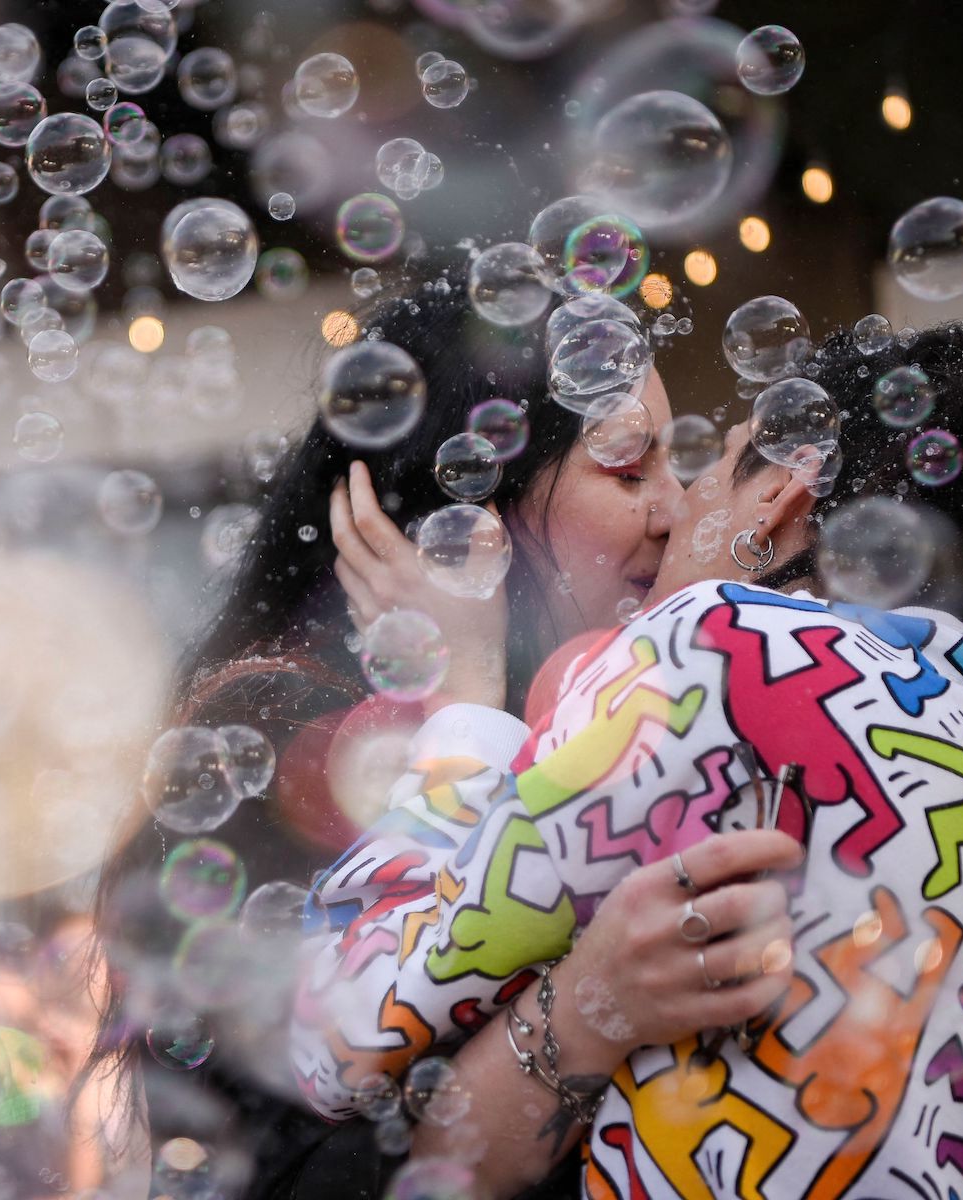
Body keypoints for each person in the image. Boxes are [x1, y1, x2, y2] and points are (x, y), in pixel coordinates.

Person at [296, 321, 963, 1197]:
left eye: (708, 463)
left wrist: (466, 702)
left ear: (782, 493)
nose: (674, 512)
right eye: (631, 469)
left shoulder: (719, 648)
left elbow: (344, 1030)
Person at [85, 266, 799, 1199]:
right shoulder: (276, 736)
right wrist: (464, 686)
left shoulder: (600, 711)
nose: (674, 510)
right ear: (469, 503)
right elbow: (308, 1171)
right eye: (628, 468)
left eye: (678, 465)